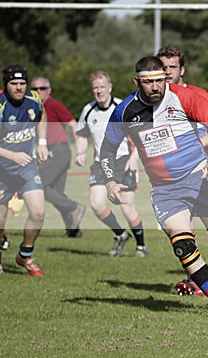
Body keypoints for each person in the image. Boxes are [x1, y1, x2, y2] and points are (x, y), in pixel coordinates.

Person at [99, 56, 208, 316]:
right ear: (136, 82)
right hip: (165, 190)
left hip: (200, 178)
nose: (155, 87)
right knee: (182, 245)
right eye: (147, 82)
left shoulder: (183, 97)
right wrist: (109, 180)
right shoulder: (125, 111)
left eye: (159, 81)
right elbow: (107, 150)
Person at [157, 46, 208, 294]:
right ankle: (196, 281)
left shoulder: (196, 95)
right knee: (182, 231)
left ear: (182, 69)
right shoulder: (154, 100)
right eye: (163, 68)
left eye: (172, 67)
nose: (167, 72)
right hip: (171, 176)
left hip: (202, 171)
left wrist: (196, 146)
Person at [75, 71, 148, 257]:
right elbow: (82, 134)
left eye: (102, 87)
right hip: (101, 163)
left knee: (126, 207)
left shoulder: (123, 107)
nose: (99, 91)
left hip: (124, 161)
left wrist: (134, 157)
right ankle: (121, 234)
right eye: (95, 88)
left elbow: (141, 136)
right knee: (97, 204)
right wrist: (81, 152)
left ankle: (141, 245)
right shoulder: (88, 110)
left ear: (110, 87)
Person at [0, 64, 49, 276]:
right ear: (6, 85)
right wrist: (12, 155)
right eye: (14, 84)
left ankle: (25, 255)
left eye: (22, 83)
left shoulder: (34, 100)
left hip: (26, 168)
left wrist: (43, 142)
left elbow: (43, 116)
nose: (19, 88)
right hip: (2, 170)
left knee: (38, 212)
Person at [30, 76, 86, 237]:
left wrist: (80, 150)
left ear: (49, 90)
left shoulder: (54, 105)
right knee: (57, 193)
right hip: (50, 151)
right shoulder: (34, 107)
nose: (39, 92)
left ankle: (74, 207)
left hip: (59, 151)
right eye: (35, 89)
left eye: (42, 88)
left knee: (40, 186)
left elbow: (73, 125)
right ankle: (73, 230)